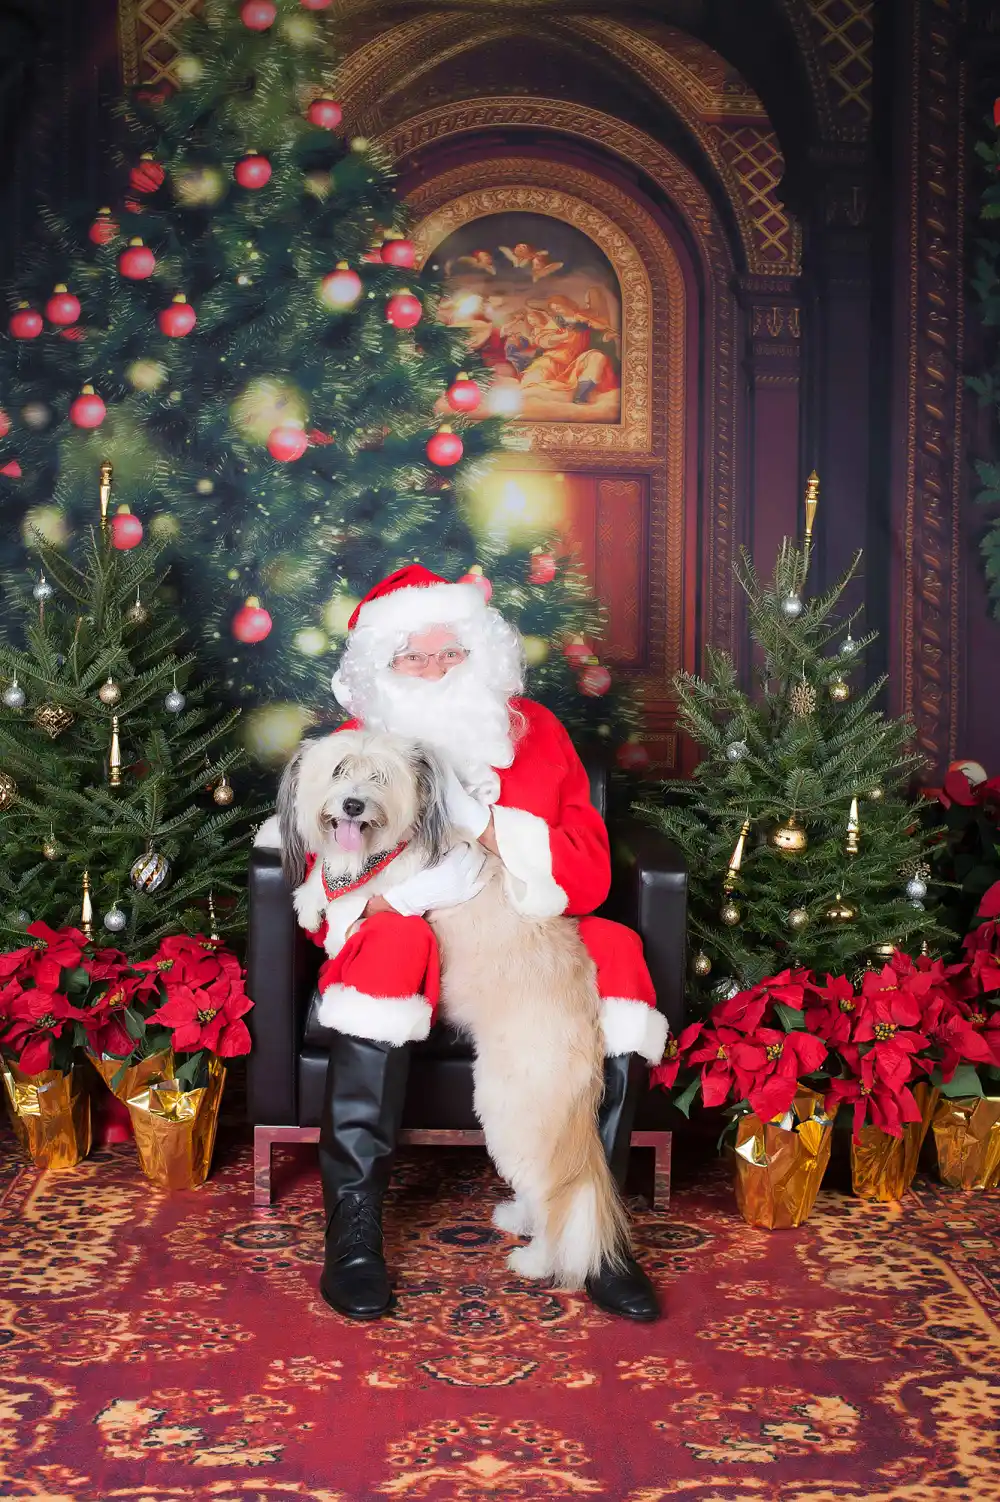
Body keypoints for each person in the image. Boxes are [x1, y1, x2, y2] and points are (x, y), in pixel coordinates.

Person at [277, 566, 668, 1323]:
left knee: (616, 950)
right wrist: (398, 895)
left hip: (520, 920)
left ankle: (592, 1229)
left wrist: (483, 824)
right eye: (410, 658)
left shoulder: (534, 732)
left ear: (478, 656)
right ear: (379, 669)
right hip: (407, 931)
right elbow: (326, 882)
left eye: (447, 654)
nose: (430, 672)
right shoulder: (351, 752)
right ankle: (352, 1235)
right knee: (392, 950)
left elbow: (584, 876)